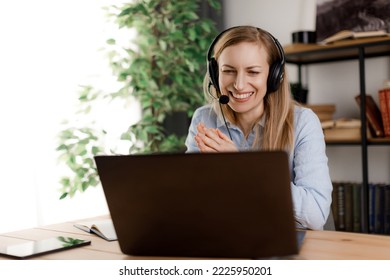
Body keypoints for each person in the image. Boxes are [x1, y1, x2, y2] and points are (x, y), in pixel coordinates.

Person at [185, 25, 332, 230]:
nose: (239, 85)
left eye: (253, 72)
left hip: (286, 244)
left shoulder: (304, 123)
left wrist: (243, 167)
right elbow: (190, 200)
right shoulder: (204, 118)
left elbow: (316, 215)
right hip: (224, 237)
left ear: (274, 77)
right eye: (228, 71)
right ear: (214, 73)